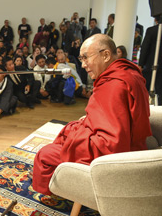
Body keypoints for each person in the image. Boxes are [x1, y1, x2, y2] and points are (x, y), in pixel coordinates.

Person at [33, 34, 151, 196]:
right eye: (81, 59)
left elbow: (110, 144)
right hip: (134, 142)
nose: (83, 65)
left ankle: (64, 192)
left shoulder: (114, 86)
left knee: (45, 154)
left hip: (115, 157)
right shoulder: (129, 73)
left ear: (106, 55)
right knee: (71, 127)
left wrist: (75, 135)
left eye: (86, 58)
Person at [139, 15, 162, 105]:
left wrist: (141, 64)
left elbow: (145, 48)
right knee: (160, 90)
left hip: (150, 65)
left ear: (156, 20)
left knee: (145, 88)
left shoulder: (151, 30)